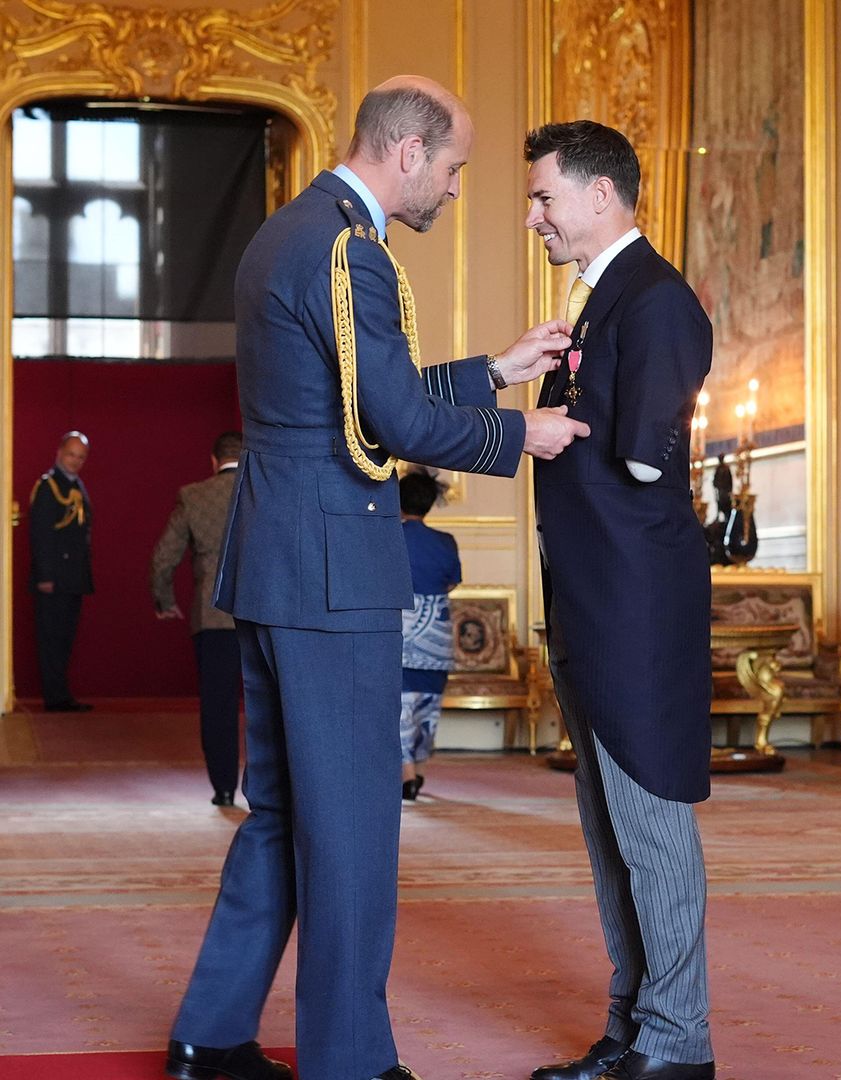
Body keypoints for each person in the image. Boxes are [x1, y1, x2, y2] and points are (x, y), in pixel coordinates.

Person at [165, 76, 588, 1080]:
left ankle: (209, 1035)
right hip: (333, 576)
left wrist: (491, 368)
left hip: (272, 563)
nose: (452, 189)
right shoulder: (354, 253)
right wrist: (520, 430)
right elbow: (391, 424)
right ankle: (349, 1062)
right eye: (451, 169)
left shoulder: (287, 233)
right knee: (350, 828)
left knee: (280, 817)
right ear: (407, 154)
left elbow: (348, 401)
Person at [520, 121, 715, 1080]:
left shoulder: (657, 299)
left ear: (602, 195)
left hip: (634, 600)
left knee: (649, 819)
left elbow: (641, 452)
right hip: (593, 593)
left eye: (544, 197)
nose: (534, 217)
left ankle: (680, 1043)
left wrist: (547, 427)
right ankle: (634, 1024)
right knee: (608, 826)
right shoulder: (601, 301)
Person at [151, 430, 245, 806]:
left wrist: (163, 600)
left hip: (214, 616)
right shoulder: (269, 490)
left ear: (213, 459)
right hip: (269, 614)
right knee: (271, 704)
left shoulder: (193, 496)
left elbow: (162, 558)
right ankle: (273, 792)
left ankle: (223, 788)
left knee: (218, 705)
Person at [398, 469, 461, 801]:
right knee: (428, 706)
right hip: (436, 638)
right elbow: (451, 582)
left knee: (398, 707)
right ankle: (418, 771)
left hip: (399, 636)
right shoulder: (445, 542)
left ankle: (406, 775)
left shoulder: (389, 536)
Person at [28, 431, 93, 712]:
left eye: (80, 457)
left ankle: (61, 693)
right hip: (54, 578)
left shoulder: (76, 485)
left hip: (72, 577)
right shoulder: (48, 486)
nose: (75, 461)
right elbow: (41, 535)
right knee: (52, 638)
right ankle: (55, 697)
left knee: (64, 638)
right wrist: (45, 576)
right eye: (71, 454)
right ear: (59, 453)